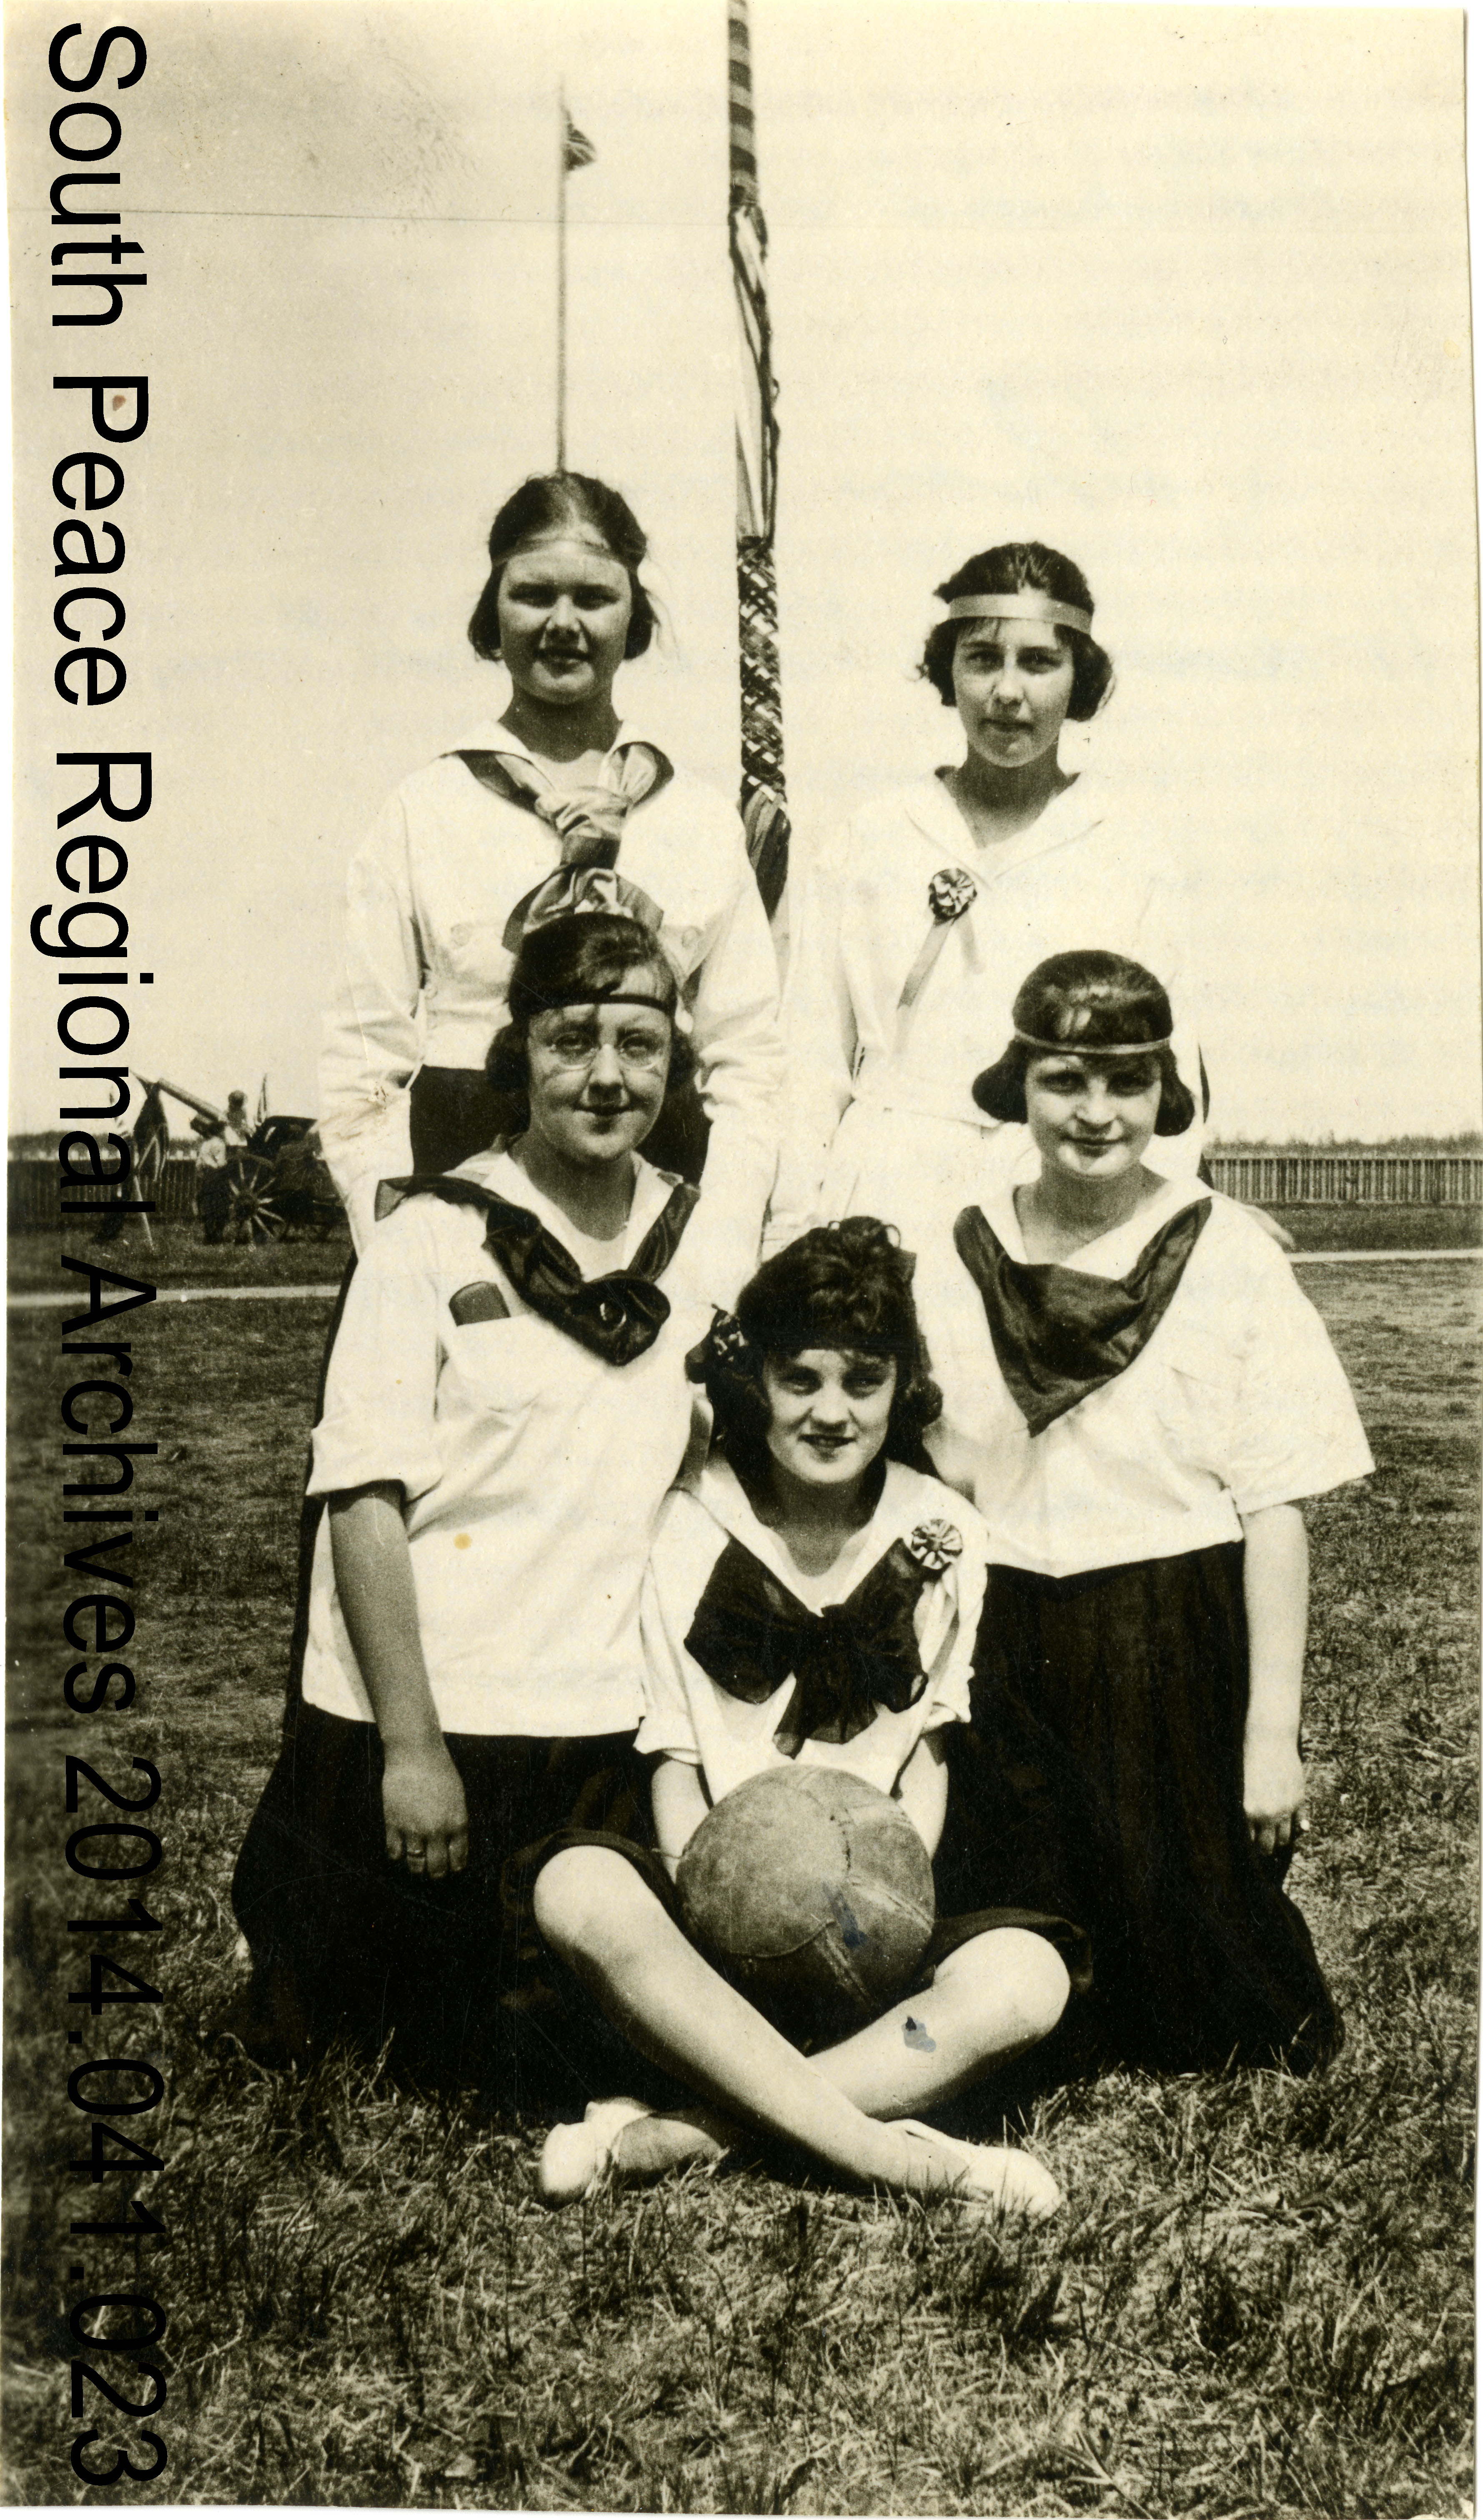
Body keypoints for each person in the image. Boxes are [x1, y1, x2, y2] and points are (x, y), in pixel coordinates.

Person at [227, 912, 718, 2081]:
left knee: (589, 2045)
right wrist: (412, 1751)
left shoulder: (703, 1238)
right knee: (406, 2044)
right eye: (571, 1039)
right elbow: (361, 1501)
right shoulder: (431, 1236)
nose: (607, 1075)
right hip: (429, 1722)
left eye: (639, 1043)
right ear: (518, 1052)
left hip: (598, 1726)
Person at [532, 1221, 1083, 2217]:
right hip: (707, 1902)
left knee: (1028, 1977)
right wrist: (719, 1901)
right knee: (575, 1885)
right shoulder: (691, 1517)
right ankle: (904, 2158)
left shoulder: (942, 1529)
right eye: (801, 1379)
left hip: (876, 1916)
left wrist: (883, 1909)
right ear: (758, 1382)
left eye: (864, 1381)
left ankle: (687, 2128)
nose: (832, 1411)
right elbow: (673, 1751)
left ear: (902, 1387)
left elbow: (928, 1749)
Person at [920, 950, 1373, 2072]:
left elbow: (1273, 1510)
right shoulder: (954, 1250)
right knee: (1009, 1987)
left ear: (1165, 1093)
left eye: (1127, 1081)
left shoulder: (1227, 1251)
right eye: (1064, 1079)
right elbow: (934, 1473)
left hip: (1170, 1645)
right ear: (1018, 1086)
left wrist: (1268, 1739)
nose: (1096, 1112)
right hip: (1007, 1647)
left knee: (1222, 2017)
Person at [318, 469, 782, 1306]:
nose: (563, 624)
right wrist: (400, 1248)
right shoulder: (423, 809)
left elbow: (749, 1060)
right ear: (492, 609)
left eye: (594, 597)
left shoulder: (698, 818)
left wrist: (720, 1241)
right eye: (534, 594)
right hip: (458, 1197)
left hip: (657, 1208)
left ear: (634, 615)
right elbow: (363, 1063)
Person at [767, 541, 1205, 1256]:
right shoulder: (869, 838)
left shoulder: (1129, 853)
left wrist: (1157, 1235)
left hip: (1059, 1200)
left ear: (1078, 677)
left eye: (1038, 662)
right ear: (949, 669)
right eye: (981, 659)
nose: (1006, 691)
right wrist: (791, 1231)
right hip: (884, 1192)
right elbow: (809, 1064)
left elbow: (1164, 1068)